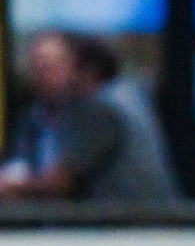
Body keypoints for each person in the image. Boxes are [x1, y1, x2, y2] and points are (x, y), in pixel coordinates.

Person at [0, 32, 178, 204]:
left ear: (87, 71)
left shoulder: (99, 107)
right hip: (150, 222)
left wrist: (15, 187)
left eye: (58, 67)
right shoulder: (129, 94)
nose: (46, 76)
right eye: (38, 67)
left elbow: (60, 184)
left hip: (131, 224)